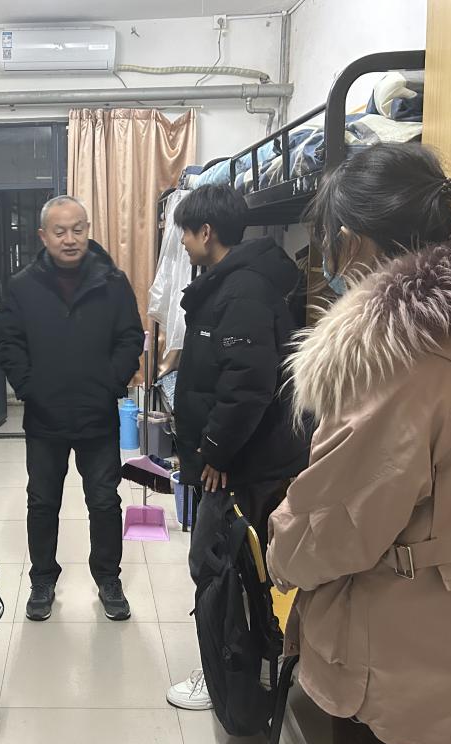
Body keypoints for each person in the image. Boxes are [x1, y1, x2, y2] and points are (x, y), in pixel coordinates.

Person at [266, 143, 451, 744]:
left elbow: (336, 523)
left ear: (352, 240)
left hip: (404, 658)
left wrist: (277, 553)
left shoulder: (392, 362)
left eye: (328, 238)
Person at [164, 184, 310, 710]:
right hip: (240, 457)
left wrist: (216, 454)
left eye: (185, 233)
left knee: (218, 568)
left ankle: (229, 678)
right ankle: (246, 669)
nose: (182, 243)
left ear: (206, 232)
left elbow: (247, 387)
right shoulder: (231, 283)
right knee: (240, 569)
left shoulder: (241, 291)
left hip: (239, 462)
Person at [0, 195, 144, 622]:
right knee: (42, 502)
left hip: (97, 416)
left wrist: (110, 383)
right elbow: (9, 344)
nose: (70, 239)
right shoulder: (22, 285)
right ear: (43, 235)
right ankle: (42, 580)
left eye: (78, 229)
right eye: (60, 231)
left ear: (88, 230)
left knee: (104, 501)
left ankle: (108, 579)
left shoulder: (112, 282)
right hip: (45, 418)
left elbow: (130, 338)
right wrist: (30, 389)